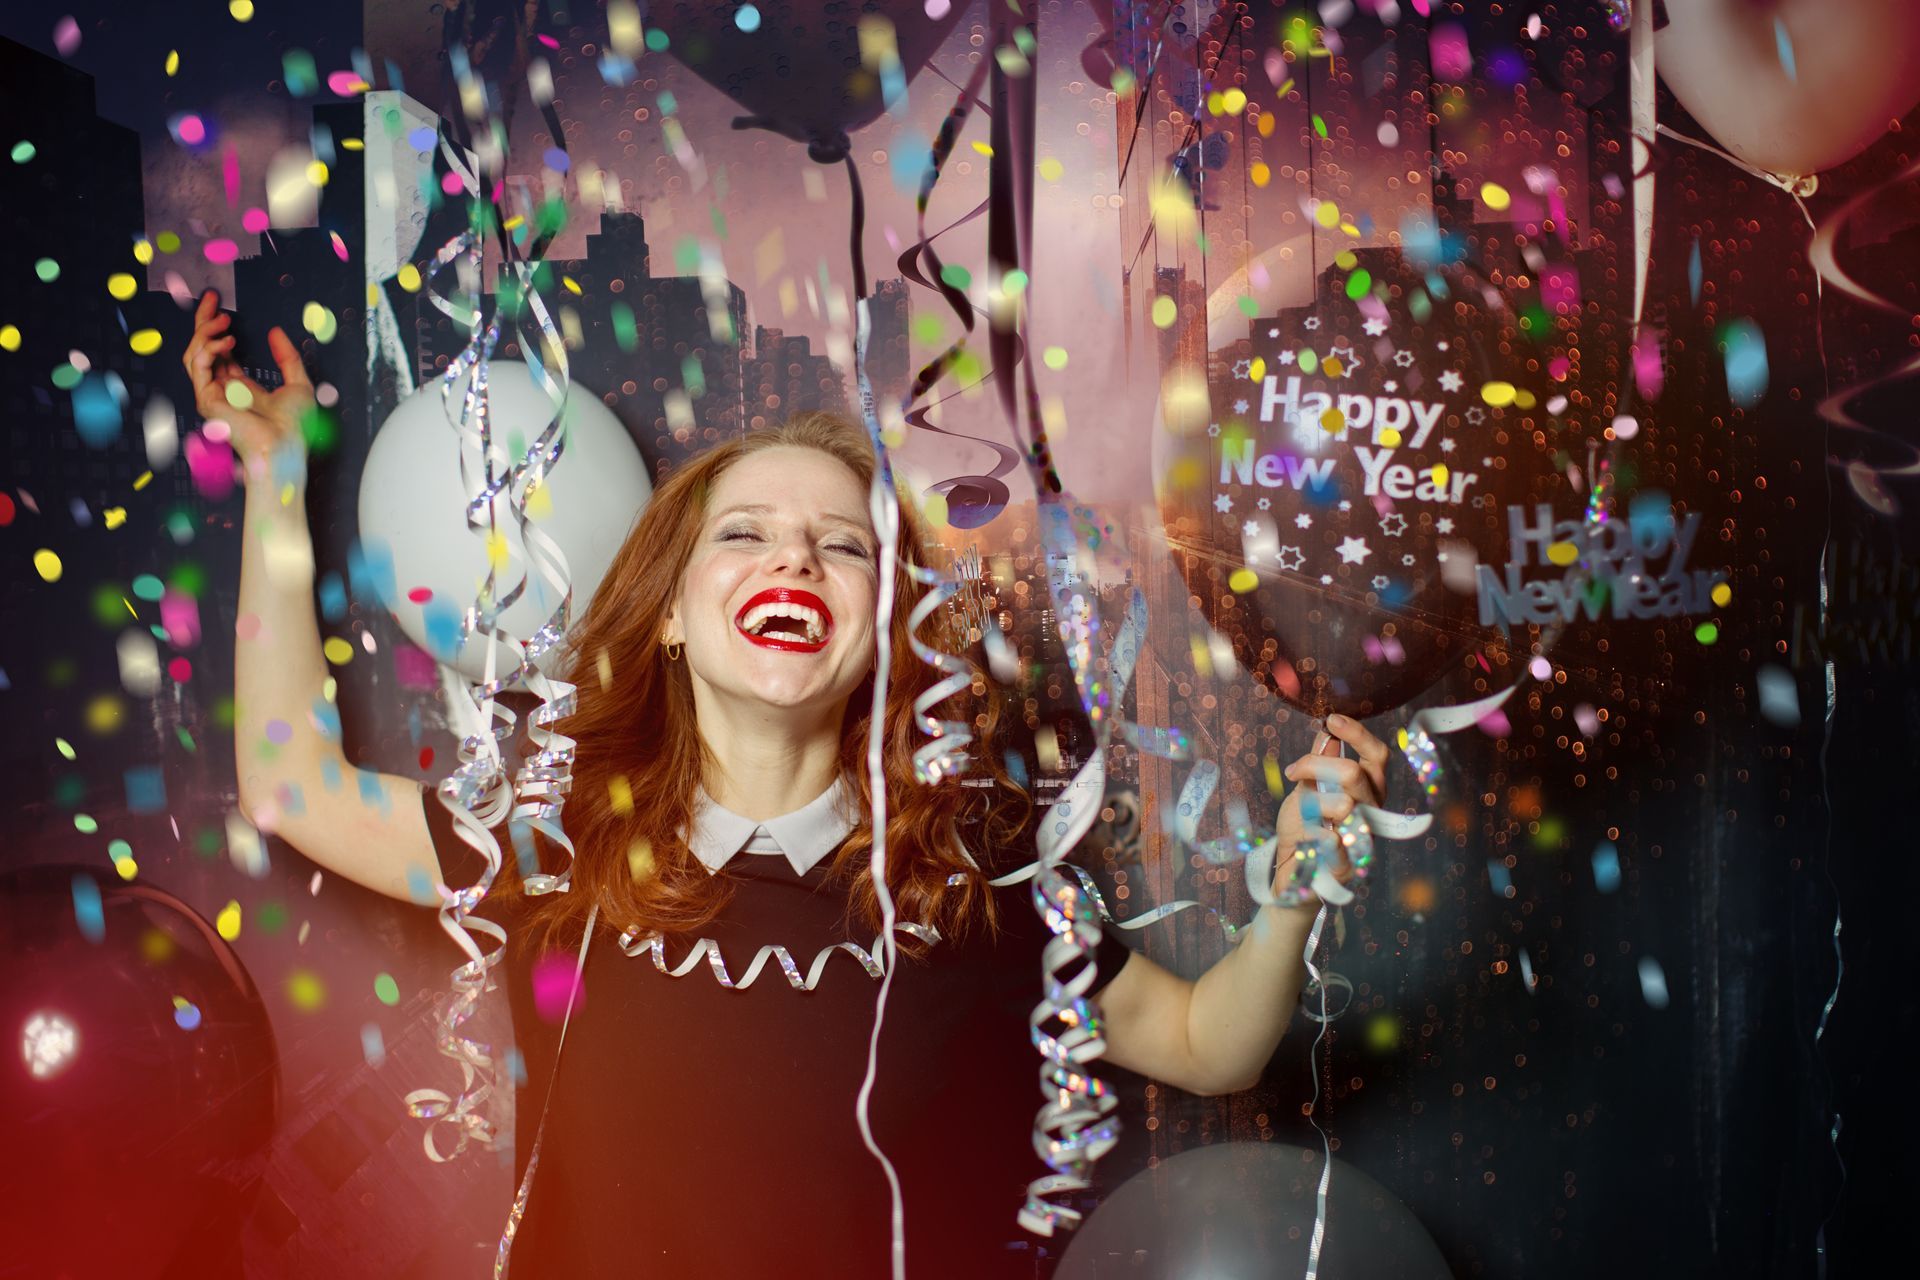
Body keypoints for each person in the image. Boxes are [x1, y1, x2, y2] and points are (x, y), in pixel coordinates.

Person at [190, 289, 1393, 1277]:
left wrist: (1290, 894)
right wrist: (276, 477)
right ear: (668, 614)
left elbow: (1206, 1046)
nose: (794, 556)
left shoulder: (971, 888)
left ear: (884, 635)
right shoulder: (559, 845)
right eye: (744, 532)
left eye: (843, 543)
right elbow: (291, 786)